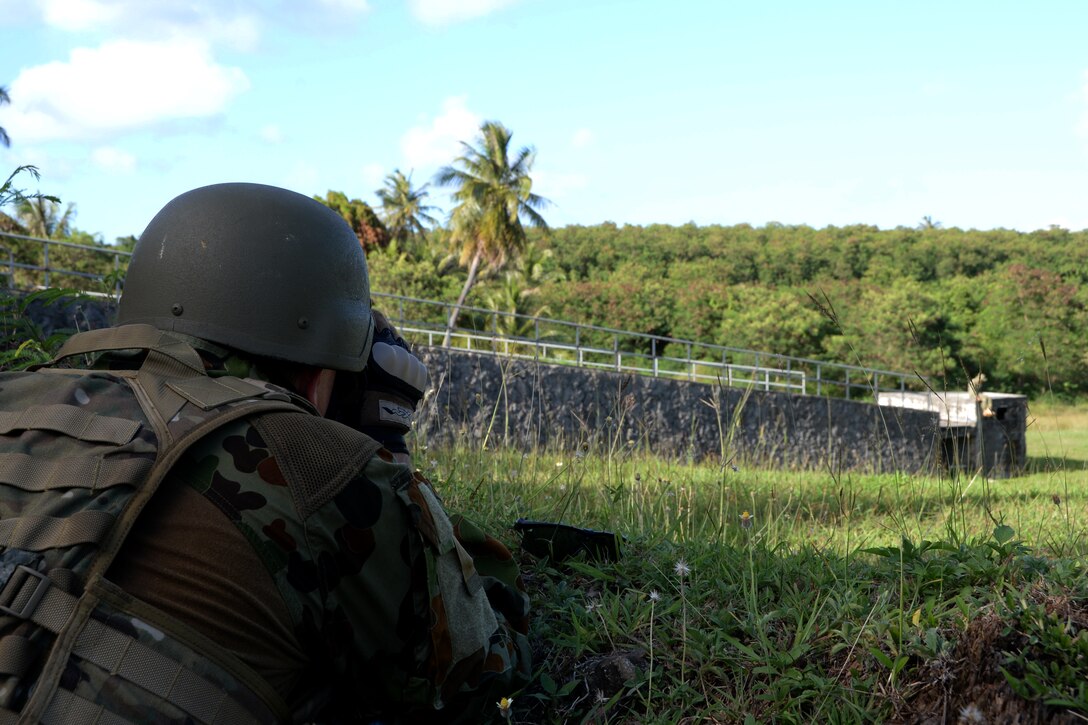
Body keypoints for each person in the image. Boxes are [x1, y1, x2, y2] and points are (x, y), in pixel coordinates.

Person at [0, 182, 530, 723]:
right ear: (322, 363)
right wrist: (383, 451)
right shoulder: (320, 466)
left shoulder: (13, 395)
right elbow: (474, 673)